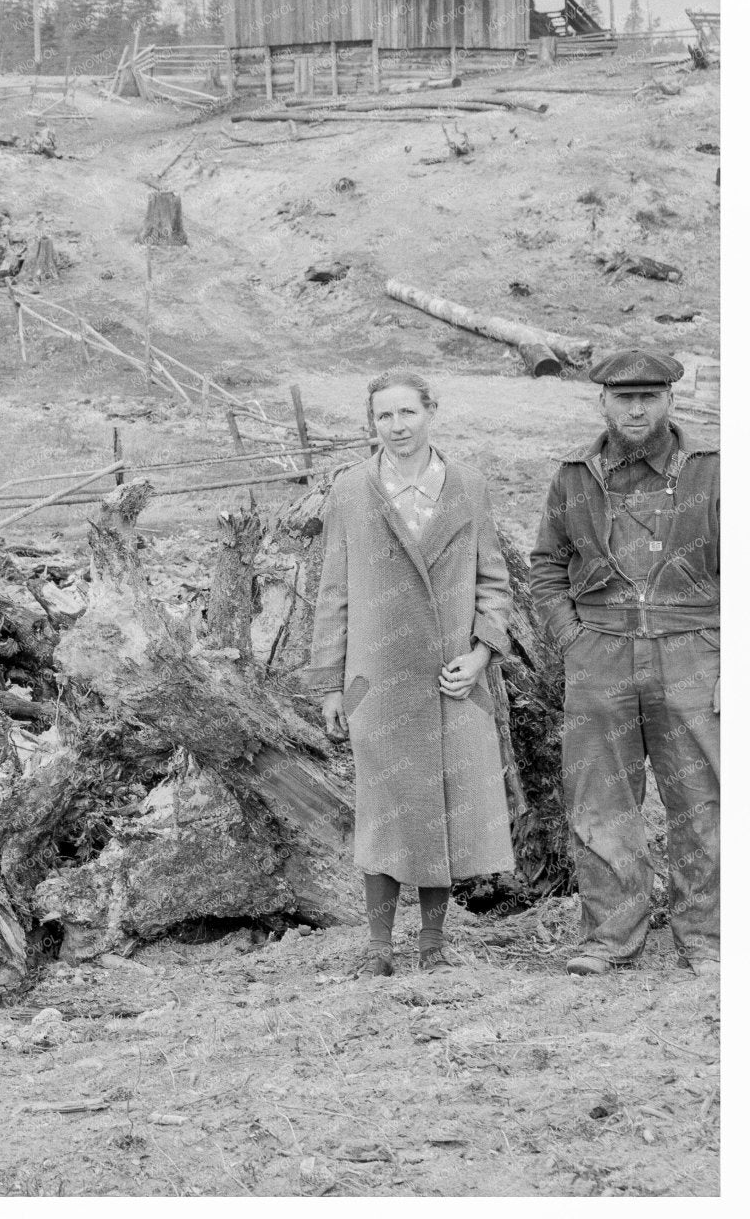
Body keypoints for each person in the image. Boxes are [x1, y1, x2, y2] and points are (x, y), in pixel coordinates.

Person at [308, 369, 515, 976]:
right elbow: (333, 592)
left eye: (407, 413)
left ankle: (433, 943)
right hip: (375, 681)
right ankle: (378, 948)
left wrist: (479, 656)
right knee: (384, 808)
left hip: (451, 680)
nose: (396, 426)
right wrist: (330, 684)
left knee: (440, 808)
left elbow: (494, 584)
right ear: (371, 423)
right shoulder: (351, 489)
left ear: (431, 413)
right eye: (384, 416)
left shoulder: (468, 485)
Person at [527, 348, 719, 978]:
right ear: (603, 401)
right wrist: (571, 639)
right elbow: (547, 565)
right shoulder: (574, 476)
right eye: (624, 397)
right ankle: (609, 938)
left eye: (649, 397)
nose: (637, 409)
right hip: (600, 653)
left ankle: (708, 937)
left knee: (703, 800)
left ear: (670, 400)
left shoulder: (714, 470)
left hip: (693, 651)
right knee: (599, 799)